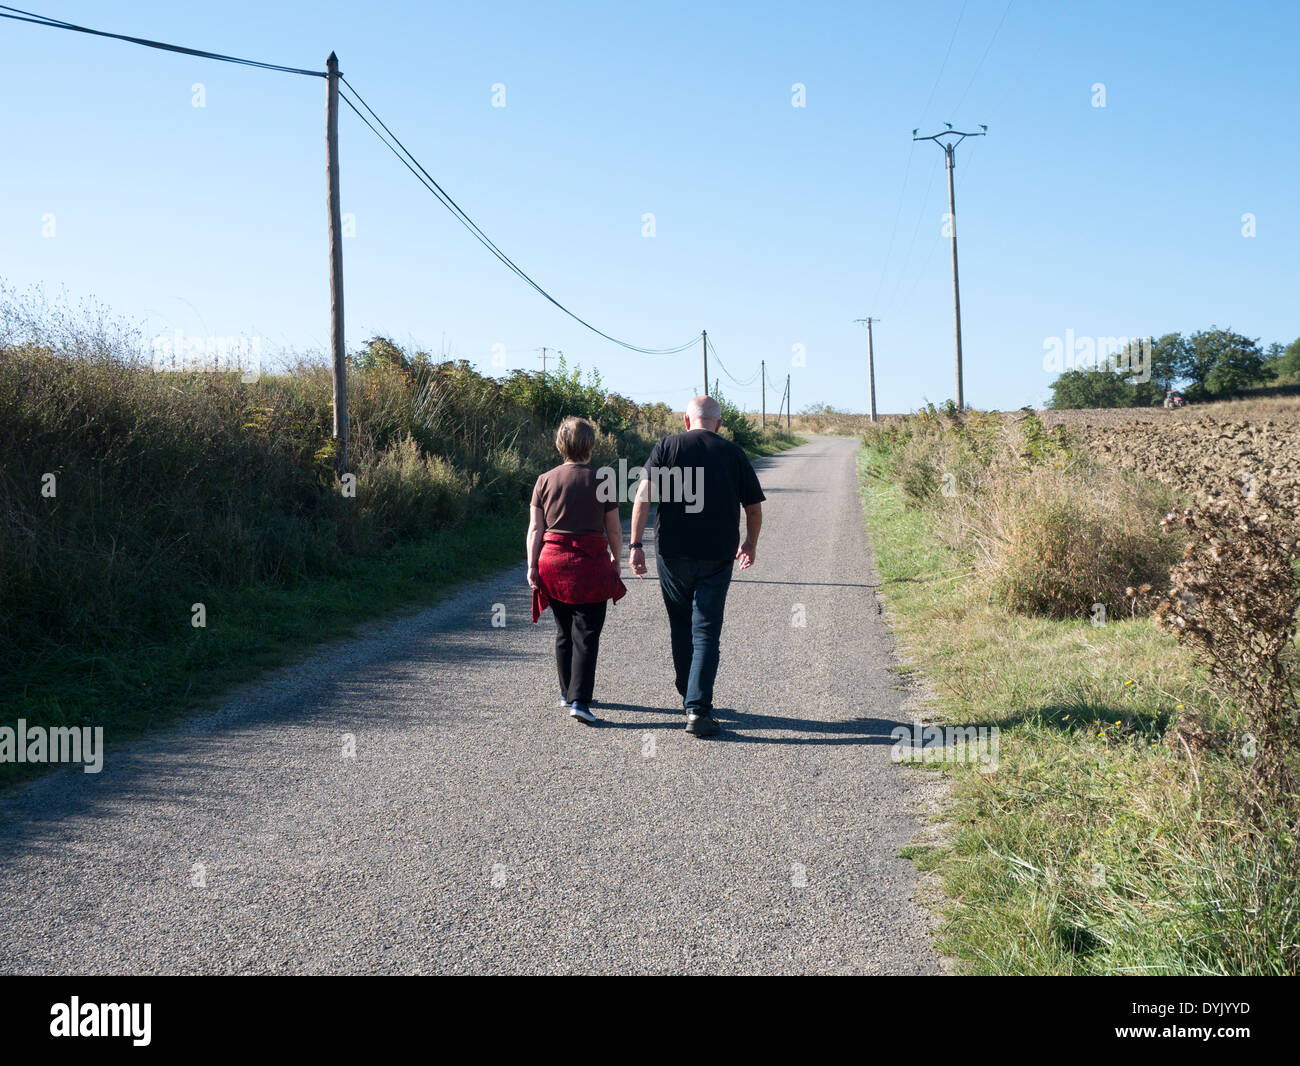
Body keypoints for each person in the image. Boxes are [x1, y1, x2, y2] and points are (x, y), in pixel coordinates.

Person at [629, 396, 765, 737]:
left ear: (686, 422)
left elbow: (643, 496)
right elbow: (753, 507)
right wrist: (750, 543)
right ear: (718, 424)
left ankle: (687, 694)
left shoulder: (666, 446)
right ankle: (698, 709)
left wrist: (634, 546)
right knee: (706, 630)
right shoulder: (733, 452)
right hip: (718, 555)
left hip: (672, 553)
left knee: (680, 625)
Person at [528, 416, 627, 725]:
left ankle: (566, 692)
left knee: (563, 630)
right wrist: (616, 562)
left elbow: (535, 529)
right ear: (591, 444)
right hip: (590, 565)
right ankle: (580, 702)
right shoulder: (604, 481)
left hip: (552, 562)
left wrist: (532, 566)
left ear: (561, 444)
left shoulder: (544, 479)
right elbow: (614, 531)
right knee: (586, 632)